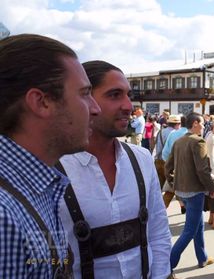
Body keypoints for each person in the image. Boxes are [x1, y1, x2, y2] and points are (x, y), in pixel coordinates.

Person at [57, 60, 172, 278]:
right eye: (114, 95)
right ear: (84, 99)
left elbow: (158, 232)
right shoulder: (54, 167)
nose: (128, 105)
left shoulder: (141, 159)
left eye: (128, 95)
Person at [0, 34, 100, 278]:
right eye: (84, 93)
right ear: (41, 102)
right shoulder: (3, 216)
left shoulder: (36, 184)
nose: (95, 108)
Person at [165, 112, 214, 273]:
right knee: (189, 230)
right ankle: (167, 267)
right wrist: (212, 188)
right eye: (201, 123)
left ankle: (202, 257)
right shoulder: (198, 141)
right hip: (194, 192)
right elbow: (202, 170)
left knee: (197, 224)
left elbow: (168, 166)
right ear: (195, 123)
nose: (203, 126)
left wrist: (174, 183)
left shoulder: (179, 141)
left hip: (182, 190)